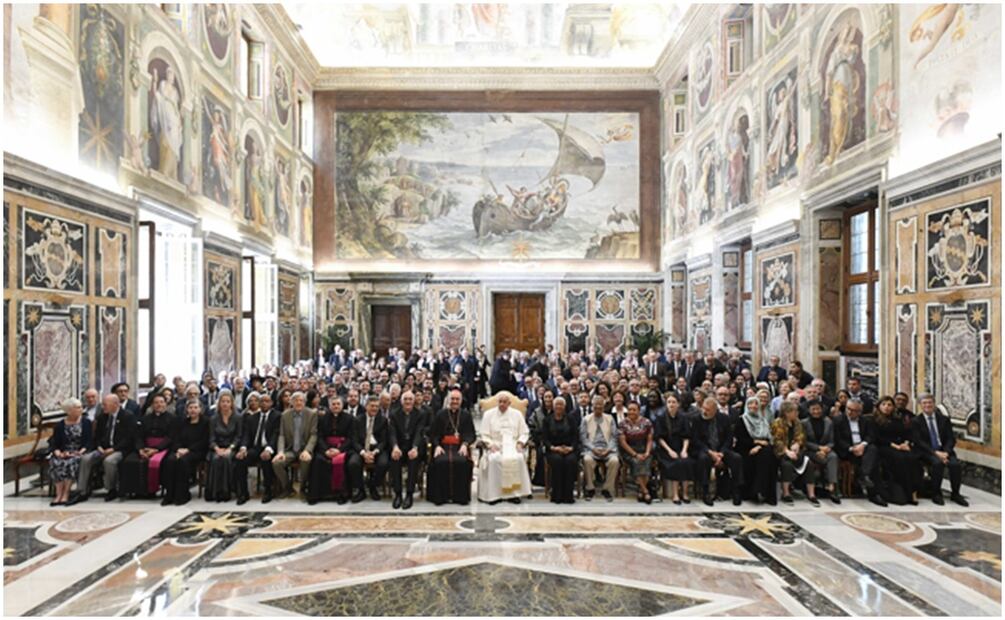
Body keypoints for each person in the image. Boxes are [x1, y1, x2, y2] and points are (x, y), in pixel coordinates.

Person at [72, 393, 136, 504]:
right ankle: (82, 490)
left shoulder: (127, 416)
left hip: (119, 449)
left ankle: (111, 489)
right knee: (86, 459)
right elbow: (97, 436)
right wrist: (99, 446)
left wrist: (113, 449)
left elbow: (129, 438)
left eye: (105, 404)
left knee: (109, 461)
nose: (103, 407)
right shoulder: (102, 417)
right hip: (103, 449)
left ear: (115, 404)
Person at [911, 393, 968, 506]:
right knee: (937, 464)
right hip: (927, 451)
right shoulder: (916, 421)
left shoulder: (944, 419)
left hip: (944, 450)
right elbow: (919, 441)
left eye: (930, 402)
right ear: (920, 405)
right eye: (924, 403)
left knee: (955, 465)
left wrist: (946, 452)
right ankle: (936, 493)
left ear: (934, 404)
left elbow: (951, 439)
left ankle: (956, 493)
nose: (927, 405)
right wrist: (936, 453)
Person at [478, 393, 532, 504]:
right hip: (495, 445)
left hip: (512, 445)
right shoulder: (489, 414)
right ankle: (494, 495)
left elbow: (524, 432)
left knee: (518, 458)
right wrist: (490, 444)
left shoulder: (517, 414)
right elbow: (484, 434)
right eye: (500, 402)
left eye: (504, 402)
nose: (502, 404)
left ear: (509, 403)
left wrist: (520, 443)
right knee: (494, 459)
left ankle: (513, 494)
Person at [119, 392, 174, 498]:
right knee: (130, 461)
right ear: (152, 405)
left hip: (163, 448)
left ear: (166, 404)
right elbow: (138, 436)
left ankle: (152, 490)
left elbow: (170, 437)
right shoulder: (145, 419)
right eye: (156, 402)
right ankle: (137, 491)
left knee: (161, 462)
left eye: (161, 402)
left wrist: (156, 449)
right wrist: (140, 449)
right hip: (145, 447)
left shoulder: (172, 419)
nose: (159, 405)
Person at [427, 390, 476, 506]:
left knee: (462, 462)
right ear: (448, 400)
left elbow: (471, 434)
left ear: (461, 401)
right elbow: (433, 433)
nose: (454, 401)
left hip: (459, 446)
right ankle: (440, 497)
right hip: (443, 446)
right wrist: (437, 445)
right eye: (452, 399)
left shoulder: (466, 415)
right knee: (440, 462)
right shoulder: (440, 414)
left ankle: (460, 497)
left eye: (457, 399)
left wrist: (465, 444)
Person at [691, 398, 744, 506]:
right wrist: (710, 452)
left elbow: (728, 439)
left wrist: (721, 453)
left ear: (715, 410)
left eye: (708, 410)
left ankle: (736, 491)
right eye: (703, 408)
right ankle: (706, 492)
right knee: (703, 459)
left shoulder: (724, 418)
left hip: (721, 450)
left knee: (736, 458)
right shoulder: (696, 419)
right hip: (705, 450)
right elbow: (696, 440)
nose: (704, 411)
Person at [308, 396, 358, 505]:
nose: (336, 406)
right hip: (326, 448)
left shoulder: (350, 418)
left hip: (343, 448)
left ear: (342, 405)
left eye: (338, 404)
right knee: (317, 460)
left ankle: (341, 495)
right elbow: (320, 437)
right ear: (329, 406)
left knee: (342, 462)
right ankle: (317, 495)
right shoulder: (322, 418)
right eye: (333, 404)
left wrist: (339, 450)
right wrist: (325, 450)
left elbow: (351, 438)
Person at [833, 398, 884, 505]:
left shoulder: (866, 421)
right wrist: (852, 448)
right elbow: (838, 440)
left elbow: (870, 436)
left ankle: (867, 480)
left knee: (873, 450)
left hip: (862, 449)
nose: (850, 412)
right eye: (848, 409)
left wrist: (862, 445)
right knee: (872, 461)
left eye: (854, 410)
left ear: (860, 411)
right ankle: (869, 485)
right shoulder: (838, 420)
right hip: (847, 451)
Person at [160, 398, 210, 505]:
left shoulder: (206, 422)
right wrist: (178, 449)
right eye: (190, 408)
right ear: (186, 409)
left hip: (197, 451)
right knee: (169, 461)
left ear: (200, 409)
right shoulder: (182, 422)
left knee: (183, 462)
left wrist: (188, 450)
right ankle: (170, 494)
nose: (193, 410)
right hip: (181, 450)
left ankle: (182, 495)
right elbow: (176, 438)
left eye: (195, 407)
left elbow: (204, 441)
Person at [874, 395, 920, 505]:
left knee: (911, 457)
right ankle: (902, 489)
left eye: (889, 405)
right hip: (884, 446)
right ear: (879, 406)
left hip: (899, 445)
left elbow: (906, 433)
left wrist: (906, 443)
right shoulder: (873, 419)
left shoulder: (897, 419)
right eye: (884, 404)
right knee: (899, 458)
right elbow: (876, 437)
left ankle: (912, 491)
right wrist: (894, 445)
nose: (886, 407)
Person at [272, 392, 319, 499]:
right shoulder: (285, 415)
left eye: (301, 400)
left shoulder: (311, 414)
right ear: (291, 402)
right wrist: (280, 452)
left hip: (304, 448)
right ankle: (288, 488)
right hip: (290, 449)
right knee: (276, 463)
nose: (298, 403)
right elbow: (281, 435)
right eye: (296, 400)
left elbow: (314, 435)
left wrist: (307, 450)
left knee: (306, 460)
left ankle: (303, 488)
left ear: (304, 402)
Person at [235, 392, 279, 504]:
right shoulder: (252, 418)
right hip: (255, 448)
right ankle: (243, 493)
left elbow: (276, 435)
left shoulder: (277, 416)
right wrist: (243, 448)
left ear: (271, 403)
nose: (264, 403)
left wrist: (268, 450)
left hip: (269, 448)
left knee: (266, 459)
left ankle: (268, 491)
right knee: (240, 459)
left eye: (267, 401)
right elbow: (246, 435)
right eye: (262, 401)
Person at [48, 398, 92, 506]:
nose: (81, 409)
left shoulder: (86, 422)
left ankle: (66, 494)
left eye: (81, 407)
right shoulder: (60, 425)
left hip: (79, 451)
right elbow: (54, 441)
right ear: (69, 411)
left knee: (70, 463)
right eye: (77, 408)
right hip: (64, 451)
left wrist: (80, 451)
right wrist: (58, 452)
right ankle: (58, 494)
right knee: (56, 462)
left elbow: (89, 441)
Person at [734, 395, 777, 505]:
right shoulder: (741, 420)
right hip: (746, 449)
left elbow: (768, 438)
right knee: (765, 455)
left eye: (756, 403)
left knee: (768, 455)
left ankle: (761, 491)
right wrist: (755, 443)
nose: (753, 406)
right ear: (746, 406)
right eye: (750, 404)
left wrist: (759, 446)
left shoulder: (763, 420)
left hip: (762, 448)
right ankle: (760, 492)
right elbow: (741, 439)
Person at [389, 390, 428, 509]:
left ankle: (409, 494)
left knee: (413, 460)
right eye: (405, 399)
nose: (408, 401)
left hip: (414, 446)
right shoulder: (394, 414)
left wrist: (415, 447)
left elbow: (419, 432)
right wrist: (395, 446)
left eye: (410, 399)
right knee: (395, 458)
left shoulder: (420, 414)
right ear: (401, 401)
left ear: (414, 401)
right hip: (400, 446)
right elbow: (392, 433)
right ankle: (398, 494)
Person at [654, 393, 693, 504]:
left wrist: (684, 450)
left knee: (686, 461)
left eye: (674, 402)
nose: (671, 404)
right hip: (666, 449)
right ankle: (675, 494)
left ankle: (685, 493)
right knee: (676, 463)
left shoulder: (684, 417)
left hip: (681, 447)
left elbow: (687, 436)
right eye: (669, 402)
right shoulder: (661, 417)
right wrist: (670, 451)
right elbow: (659, 438)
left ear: (678, 404)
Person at [771, 401, 813, 504]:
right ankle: (786, 493)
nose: (797, 413)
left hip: (796, 451)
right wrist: (787, 451)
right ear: (787, 412)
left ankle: (811, 494)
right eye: (794, 411)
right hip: (781, 452)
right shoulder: (777, 423)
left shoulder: (797, 422)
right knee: (787, 465)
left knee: (809, 464)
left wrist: (798, 444)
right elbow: (777, 440)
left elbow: (801, 436)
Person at [205, 390, 243, 502]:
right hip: (217, 447)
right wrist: (216, 448)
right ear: (219, 403)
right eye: (223, 401)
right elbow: (211, 438)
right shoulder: (214, 418)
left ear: (232, 403)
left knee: (226, 459)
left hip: (232, 447)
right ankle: (215, 492)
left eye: (228, 401)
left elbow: (238, 436)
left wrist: (230, 448)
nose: (225, 404)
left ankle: (226, 492)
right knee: (216, 459)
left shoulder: (238, 417)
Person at [542, 394, 580, 504]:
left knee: (570, 461)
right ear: (553, 406)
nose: (559, 407)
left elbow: (576, 437)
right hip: (553, 450)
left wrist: (571, 448)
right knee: (557, 461)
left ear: (564, 406)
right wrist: (553, 448)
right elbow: (545, 439)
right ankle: (557, 495)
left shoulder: (571, 419)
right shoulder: (547, 420)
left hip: (569, 449)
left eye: (561, 405)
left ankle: (568, 495)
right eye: (557, 405)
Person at [580, 397, 619, 502]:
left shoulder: (610, 418)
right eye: (595, 406)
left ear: (604, 406)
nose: (598, 407)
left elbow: (614, 437)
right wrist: (593, 449)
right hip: (591, 449)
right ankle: (590, 488)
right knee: (587, 460)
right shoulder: (586, 419)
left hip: (608, 449)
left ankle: (607, 489)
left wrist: (608, 449)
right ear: (592, 406)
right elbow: (583, 438)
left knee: (614, 461)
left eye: (600, 405)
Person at [802, 399, 841, 503]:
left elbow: (832, 440)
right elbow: (804, 441)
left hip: (826, 450)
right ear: (809, 410)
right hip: (810, 450)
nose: (816, 411)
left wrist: (825, 449)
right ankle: (823, 485)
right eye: (813, 409)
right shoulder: (804, 423)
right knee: (824, 460)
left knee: (833, 456)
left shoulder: (828, 422)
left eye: (818, 409)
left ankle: (832, 486)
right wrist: (818, 448)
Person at [353, 398, 390, 502]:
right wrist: (363, 453)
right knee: (353, 463)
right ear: (366, 406)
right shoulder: (357, 420)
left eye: (377, 406)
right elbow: (354, 440)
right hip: (362, 448)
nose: (374, 408)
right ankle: (361, 490)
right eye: (372, 406)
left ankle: (373, 486)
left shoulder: (383, 420)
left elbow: (384, 441)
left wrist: (375, 452)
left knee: (384, 463)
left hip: (377, 449)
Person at [618, 401, 654, 504]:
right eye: (630, 409)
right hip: (629, 451)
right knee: (637, 462)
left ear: (639, 411)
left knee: (646, 461)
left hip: (644, 448)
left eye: (634, 410)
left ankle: (640, 490)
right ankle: (645, 491)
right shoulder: (623, 423)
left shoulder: (646, 422)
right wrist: (635, 454)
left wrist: (647, 452)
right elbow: (623, 442)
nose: (631, 412)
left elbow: (650, 439)